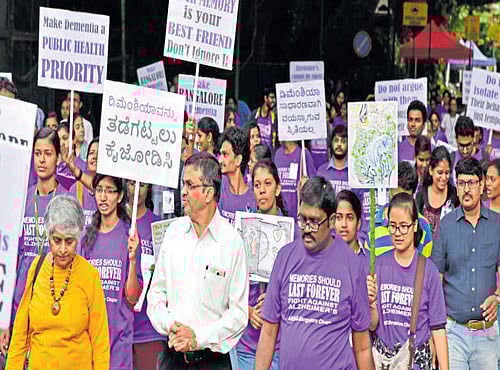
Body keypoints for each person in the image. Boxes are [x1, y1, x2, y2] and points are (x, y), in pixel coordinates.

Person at [255, 177, 374, 370]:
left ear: (332, 221)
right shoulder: (285, 258)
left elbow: (361, 346)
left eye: (315, 221)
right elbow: (269, 332)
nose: (307, 229)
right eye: (302, 219)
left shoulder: (352, 265)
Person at [147, 152, 249, 369]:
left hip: (211, 361)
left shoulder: (231, 242)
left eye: (190, 185)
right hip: (172, 357)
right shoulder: (174, 233)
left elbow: (239, 314)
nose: (183, 192)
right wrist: (171, 326)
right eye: (183, 184)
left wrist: (198, 337)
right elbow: (156, 293)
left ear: (209, 192)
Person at [6, 195, 110, 369]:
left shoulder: (89, 275)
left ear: (78, 238)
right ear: (48, 236)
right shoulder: (36, 268)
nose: (62, 249)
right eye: (57, 240)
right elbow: (20, 334)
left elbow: (100, 343)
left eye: (69, 241)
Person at [431, 157, 500, 370]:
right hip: (453, 333)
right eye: (461, 184)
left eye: (471, 183)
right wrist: (436, 335)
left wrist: (497, 297)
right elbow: (435, 282)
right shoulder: (446, 226)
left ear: (481, 185)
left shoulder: (497, 224)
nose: (466, 190)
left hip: (487, 335)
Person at [367, 192, 448, 370]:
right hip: (383, 361)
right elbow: (373, 324)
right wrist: (372, 304)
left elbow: (438, 328)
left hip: (416, 361)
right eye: (393, 226)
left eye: (404, 226)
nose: (398, 233)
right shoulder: (378, 266)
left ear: (414, 226)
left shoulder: (429, 271)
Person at [234, 159, 294, 370]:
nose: (262, 190)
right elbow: (230, 287)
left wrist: (273, 300)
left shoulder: (292, 235)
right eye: (257, 185)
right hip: (247, 343)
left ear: (278, 188)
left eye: (267, 184)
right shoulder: (242, 231)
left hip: (280, 343)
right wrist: (249, 311)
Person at [80, 174, 142, 370]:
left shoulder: (129, 236)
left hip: (119, 342)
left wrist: (132, 261)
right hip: (90, 340)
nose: (103, 197)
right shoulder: (86, 238)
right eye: (99, 190)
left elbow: (132, 299)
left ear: (121, 195)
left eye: (109, 190)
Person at [10, 128, 68, 333]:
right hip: (20, 302)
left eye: (48, 154)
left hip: (54, 305)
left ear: (58, 158)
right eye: (37, 153)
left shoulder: (67, 201)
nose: (42, 160)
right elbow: (9, 258)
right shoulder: (20, 199)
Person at [125, 181, 164, 370]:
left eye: (142, 185)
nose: (136, 190)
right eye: (132, 184)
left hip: (149, 329)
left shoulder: (158, 226)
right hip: (121, 327)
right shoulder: (116, 221)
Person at [372, 161, 433, 257]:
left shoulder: (423, 226)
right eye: (395, 199)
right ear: (389, 191)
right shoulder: (374, 224)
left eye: (403, 201)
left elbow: (426, 267)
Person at [415, 146, 459, 240]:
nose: (443, 178)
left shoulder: (454, 195)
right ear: (431, 170)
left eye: (447, 173)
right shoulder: (421, 195)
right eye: (440, 172)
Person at [218, 126, 257, 224]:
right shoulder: (217, 188)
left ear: (238, 160)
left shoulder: (255, 197)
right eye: (220, 154)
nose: (220, 160)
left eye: (225, 154)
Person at [274, 141, 316, 219]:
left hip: (298, 215)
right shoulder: (277, 154)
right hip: (281, 216)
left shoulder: (303, 153)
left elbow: (314, 184)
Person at [335, 190, 369, 273]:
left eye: (350, 218)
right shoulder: (324, 259)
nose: (344, 224)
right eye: (339, 217)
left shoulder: (371, 261)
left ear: (358, 223)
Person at [69, 137, 99, 226]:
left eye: (99, 153)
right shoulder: (75, 189)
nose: (95, 157)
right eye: (91, 153)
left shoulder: (111, 192)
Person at [450, 116, 489, 184]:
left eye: (468, 145)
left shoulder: (485, 158)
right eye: (461, 145)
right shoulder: (451, 159)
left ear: (473, 138)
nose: (465, 151)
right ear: (456, 140)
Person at [317, 124, 349, 195]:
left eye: (343, 141)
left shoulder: (354, 174)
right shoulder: (321, 171)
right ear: (331, 143)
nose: (339, 144)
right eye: (336, 140)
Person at [56, 122, 87, 190]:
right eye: (58, 140)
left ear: (74, 139)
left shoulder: (84, 167)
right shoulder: (53, 167)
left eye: (65, 138)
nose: (61, 143)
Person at [252, 87, 276, 151]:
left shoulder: (274, 117)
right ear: (265, 98)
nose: (274, 100)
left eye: (275, 98)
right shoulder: (255, 115)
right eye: (272, 98)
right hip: (256, 153)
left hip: (269, 155)